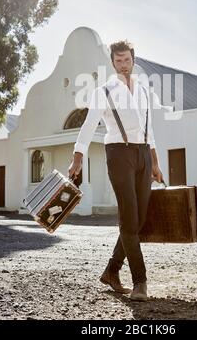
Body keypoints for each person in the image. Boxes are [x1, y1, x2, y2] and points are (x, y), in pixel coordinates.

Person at [68, 40, 163, 301]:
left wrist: (154, 163)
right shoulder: (104, 91)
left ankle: (112, 271)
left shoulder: (143, 91)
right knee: (129, 218)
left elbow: (149, 129)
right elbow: (89, 125)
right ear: (113, 63)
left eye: (127, 60)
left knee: (140, 219)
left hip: (143, 153)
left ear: (133, 60)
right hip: (119, 154)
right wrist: (77, 157)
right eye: (118, 61)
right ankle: (140, 282)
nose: (123, 64)